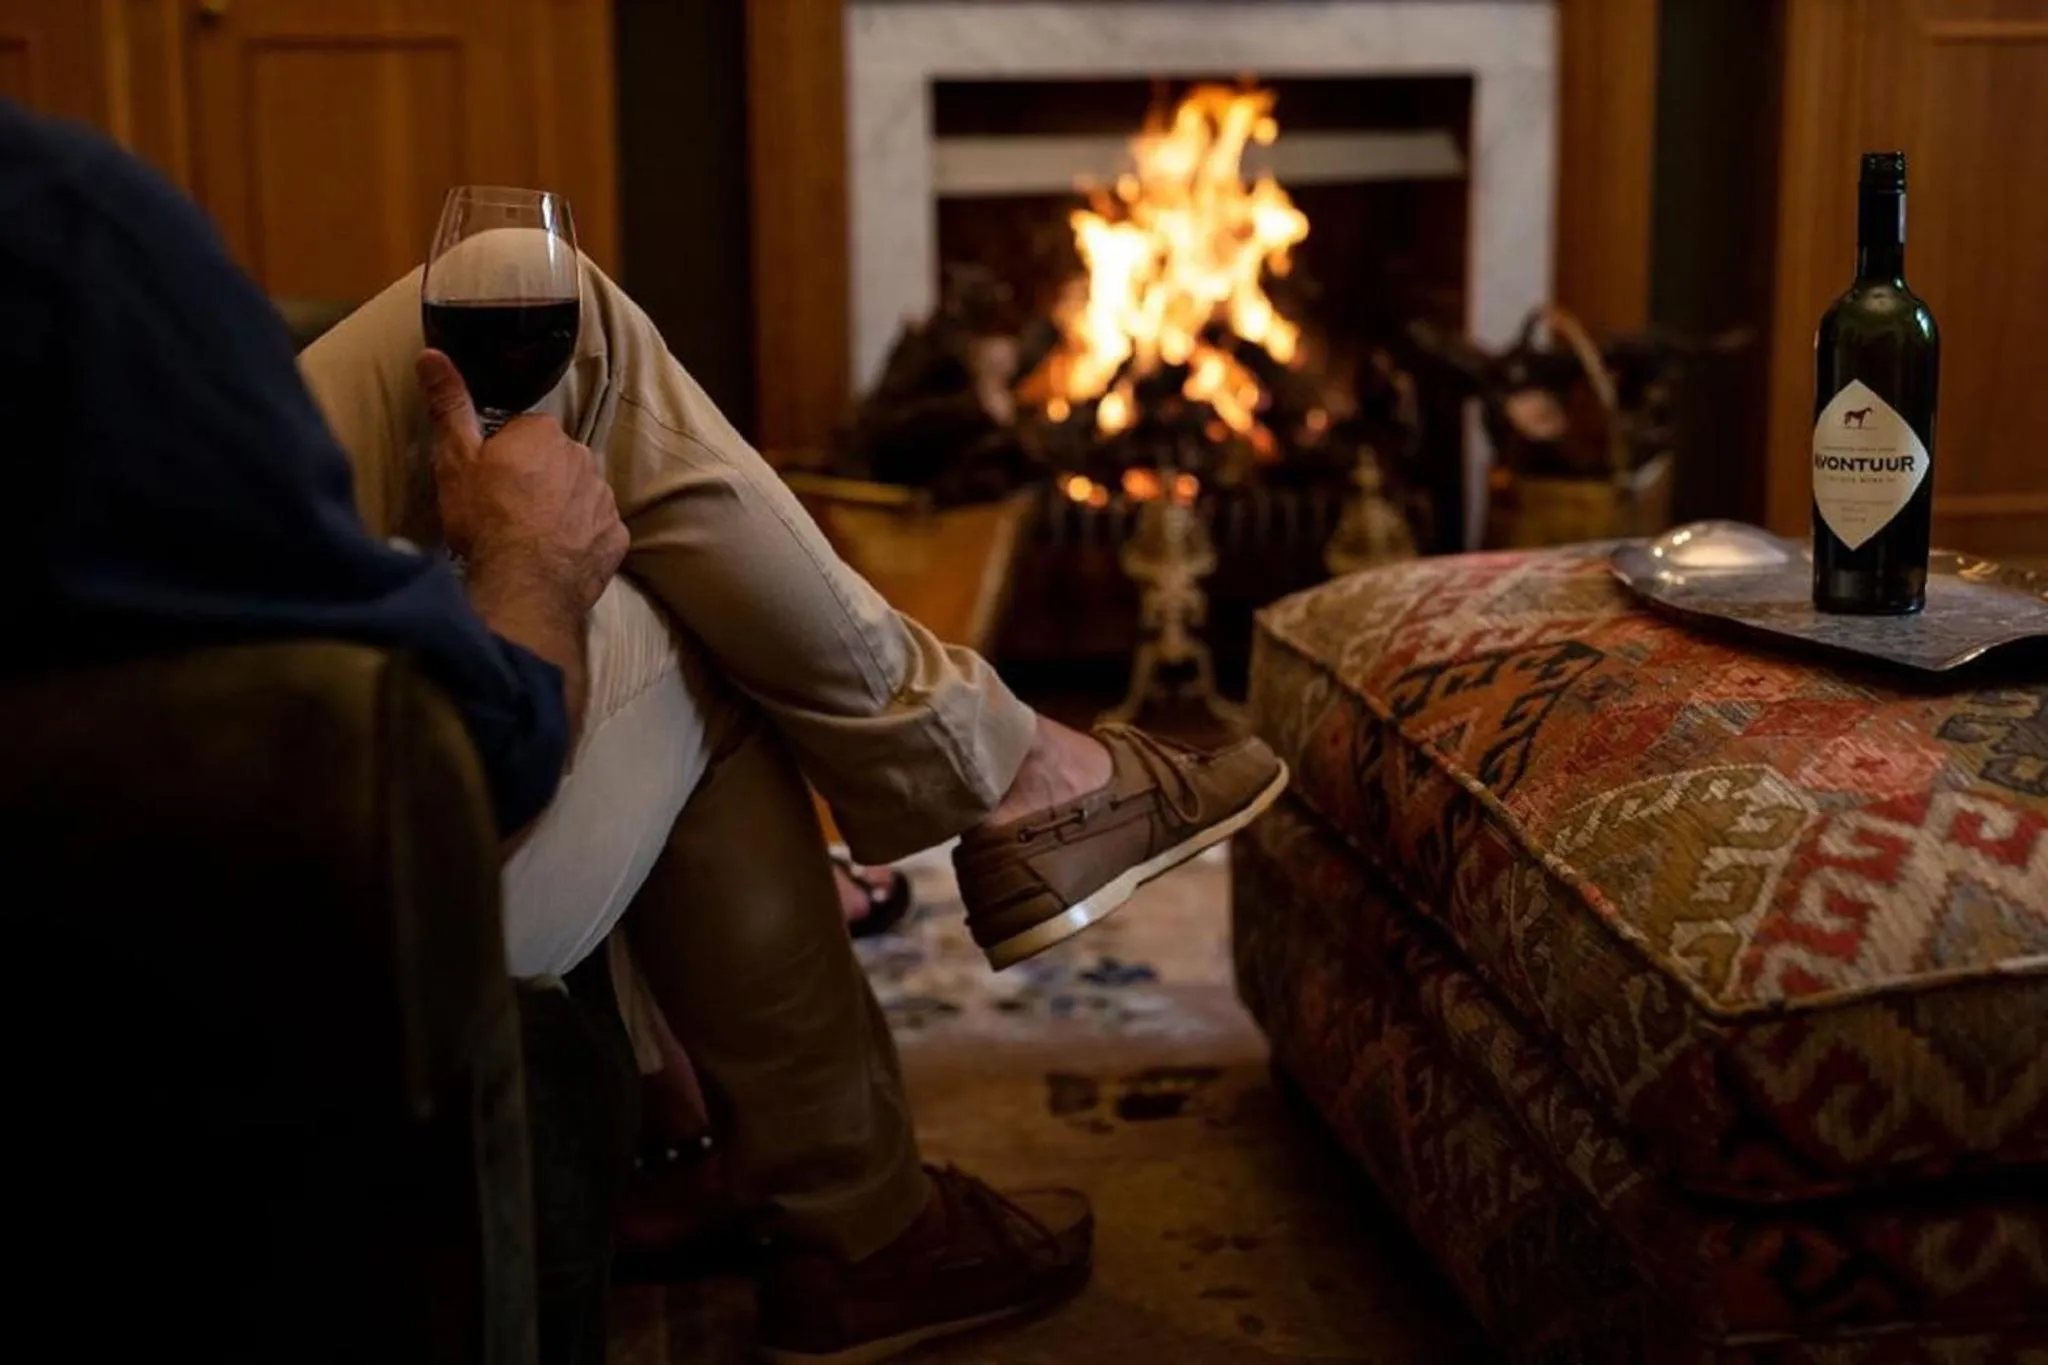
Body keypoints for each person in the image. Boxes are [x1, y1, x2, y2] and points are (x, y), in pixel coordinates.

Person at [1, 104, 1286, 1363]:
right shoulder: (57, 217)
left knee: (537, 295)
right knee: (667, 612)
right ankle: (886, 1132)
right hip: (269, 893)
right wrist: (520, 570)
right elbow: (489, 748)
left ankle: (963, 831)